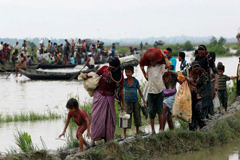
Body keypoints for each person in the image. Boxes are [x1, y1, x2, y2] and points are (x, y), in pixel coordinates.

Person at [91, 57, 124, 142]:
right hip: (99, 96)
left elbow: (121, 90)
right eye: (109, 66)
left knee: (109, 120)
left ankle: (108, 140)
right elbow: (95, 75)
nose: (110, 68)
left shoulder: (119, 76)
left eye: (112, 67)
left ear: (116, 67)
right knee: (96, 117)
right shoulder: (104, 68)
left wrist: (123, 103)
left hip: (110, 98)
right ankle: (93, 138)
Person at [140, 50, 170, 134]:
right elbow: (147, 79)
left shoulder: (161, 66)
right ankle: (152, 130)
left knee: (160, 111)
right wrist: (142, 70)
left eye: (153, 60)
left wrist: (165, 56)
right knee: (151, 112)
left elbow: (168, 65)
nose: (152, 62)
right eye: (151, 61)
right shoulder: (149, 68)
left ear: (156, 60)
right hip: (151, 91)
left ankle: (161, 129)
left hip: (159, 91)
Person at [123, 66, 146, 139]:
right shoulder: (124, 81)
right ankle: (124, 134)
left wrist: (144, 100)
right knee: (126, 118)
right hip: (127, 102)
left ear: (132, 72)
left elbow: (139, 91)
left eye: (129, 72)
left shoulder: (135, 81)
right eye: (126, 72)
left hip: (135, 101)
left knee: (137, 117)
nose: (127, 73)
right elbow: (119, 90)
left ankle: (137, 132)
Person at [195, 45, 218, 119]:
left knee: (207, 96)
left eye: (202, 53)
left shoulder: (208, 57)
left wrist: (216, 81)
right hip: (199, 79)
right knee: (203, 96)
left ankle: (208, 113)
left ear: (204, 51)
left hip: (206, 78)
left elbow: (213, 67)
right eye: (200, 53)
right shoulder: (198, 57)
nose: (201, 54)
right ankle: (204, 114)